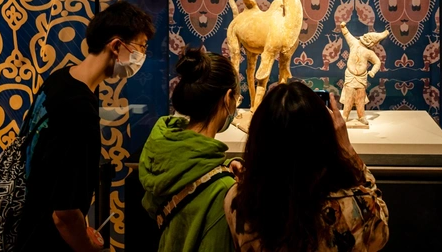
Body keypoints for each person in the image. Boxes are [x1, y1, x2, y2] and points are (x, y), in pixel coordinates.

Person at [16, 1, 156, 252]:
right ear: (116, 46)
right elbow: (65, 214)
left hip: (25, 228)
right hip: (46, 241)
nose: (142, 56)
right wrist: (88, 246)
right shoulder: (80, 110)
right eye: (141, 47)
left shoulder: (59, 80)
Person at [225, 82, 389, 252]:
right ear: (323, 138)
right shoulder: (353, 209)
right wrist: (347, 149)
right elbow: (381, 227)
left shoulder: (237, 201)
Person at [139, 46, 242, 252]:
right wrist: (222, 177)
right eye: (237, 99)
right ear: (227, 97)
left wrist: (224, 166)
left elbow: (190, 168)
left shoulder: (161, 150)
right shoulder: (222, 190)